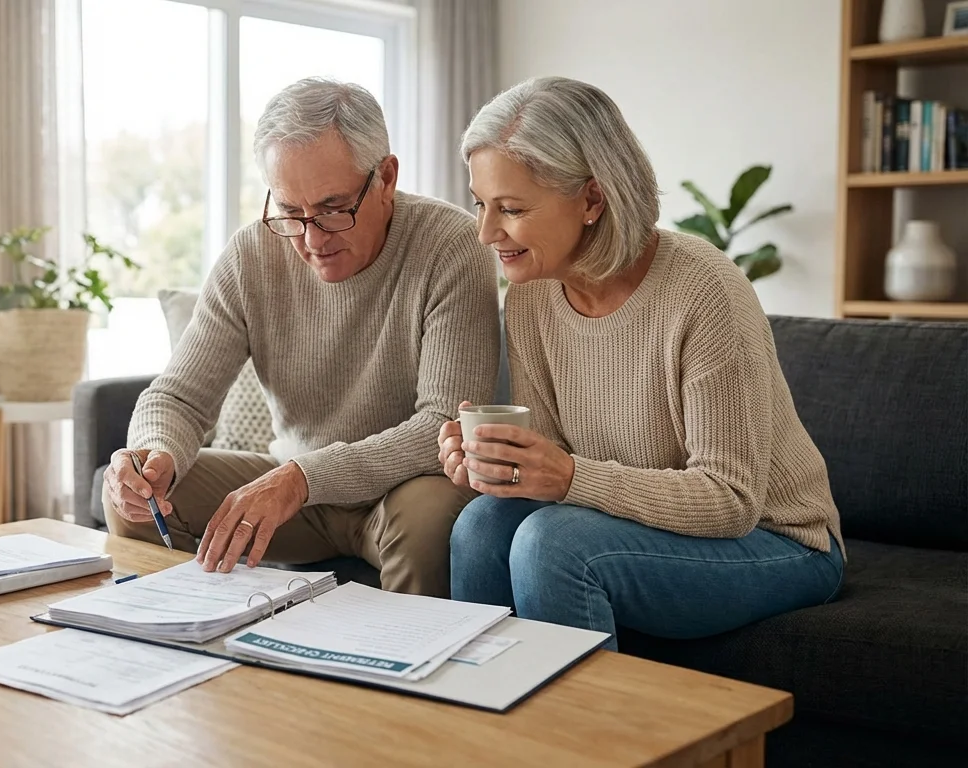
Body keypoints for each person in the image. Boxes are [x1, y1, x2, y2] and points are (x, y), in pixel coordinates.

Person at [438, 76, 845, 650]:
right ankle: (479, 726)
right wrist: (497, 468)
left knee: (551, 544)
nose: (485, 232)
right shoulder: (529, 297)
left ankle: (586, 739)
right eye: (481, 205)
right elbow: (554, 467)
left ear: (592, 200)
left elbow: (730, 500)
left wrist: (570, 477)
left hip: (777, 539)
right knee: (481, 526)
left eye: (511, 209)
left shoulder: (704, 290)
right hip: (645, 524)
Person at [103, 77, 501, 598]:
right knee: (132, 500)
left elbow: (442, 425)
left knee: (429, 520)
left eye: (335, 209)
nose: (312, 240)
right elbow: (178, 395)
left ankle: (398, 672)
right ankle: (186, 647)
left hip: (400, 492)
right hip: (297, 494)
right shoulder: (251, 255)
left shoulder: (451, 247)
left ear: (386, 177)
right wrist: (154, 457)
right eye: (291, 212)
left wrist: (303, 477)